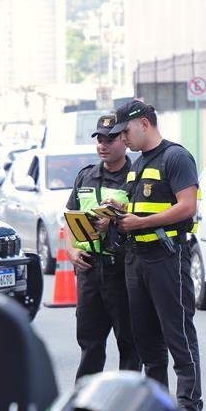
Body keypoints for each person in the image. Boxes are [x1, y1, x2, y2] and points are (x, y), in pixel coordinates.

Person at [108, 100, 204, 411]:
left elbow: (187, 207)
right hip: (137, 260)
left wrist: (140, 223)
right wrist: (117, 208)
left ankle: (189, 410)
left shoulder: (175, 157)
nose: (123, 139)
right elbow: (140, 205)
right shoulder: (137, 164)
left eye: (126, 131)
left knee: (177, 334)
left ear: (144, 124)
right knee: (147, 341)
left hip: (167, 257)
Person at [65, 114, 140, 379]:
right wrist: (72, 252)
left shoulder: (136, 177)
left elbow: (143, 220)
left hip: (122, 270)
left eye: (110, 139)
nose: (103, 145)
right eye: (99, 139)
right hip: (89, 271)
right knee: (90, 344)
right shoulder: (85, 176)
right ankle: (84, 408)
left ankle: (126, 409)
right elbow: (69, 221)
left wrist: (117, 220)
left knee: (129, 344)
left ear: (124, 140)